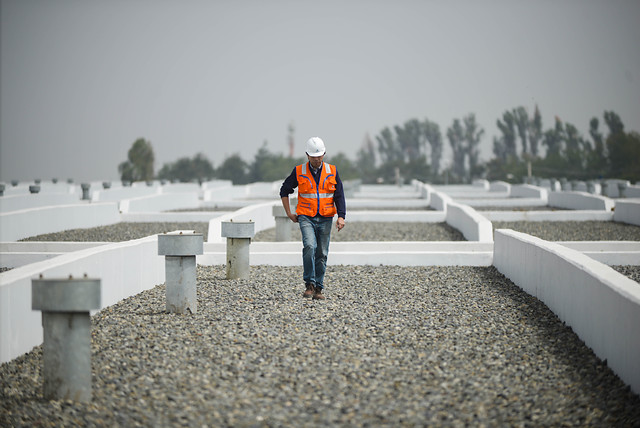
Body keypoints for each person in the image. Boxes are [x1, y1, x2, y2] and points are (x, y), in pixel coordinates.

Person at [279, 137, 346, 300]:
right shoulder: (299, 171)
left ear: (324, 154)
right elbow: (284, 190)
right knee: (309, 246)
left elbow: (339, 195)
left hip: (325, 217)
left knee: (322, 253)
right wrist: (289, 212)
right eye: (313, 156)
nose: (317, 159)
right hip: (306, 217)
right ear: (307, 155)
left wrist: (341, 216)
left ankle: (318, 288)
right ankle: (309, 283)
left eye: (319, 156)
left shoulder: (332, 171)